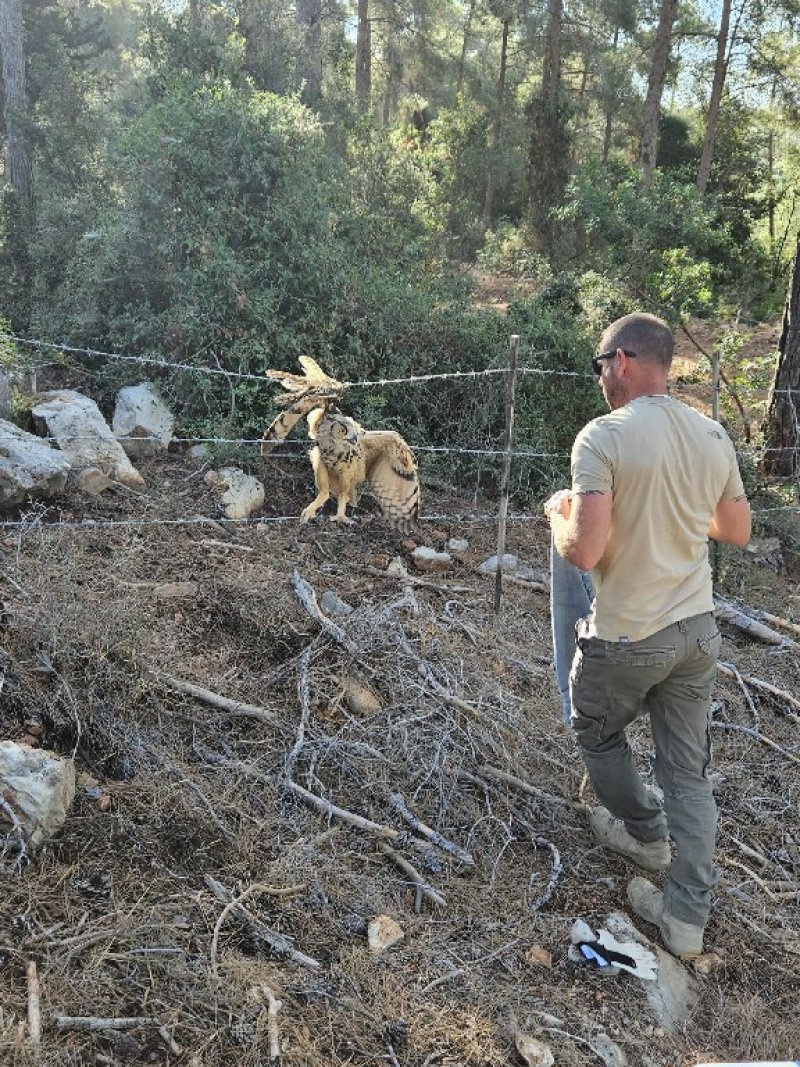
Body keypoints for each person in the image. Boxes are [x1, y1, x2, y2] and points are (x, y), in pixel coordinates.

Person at [544, 312, 751, 959]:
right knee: (687, 774)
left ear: (625, 360)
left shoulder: (601, 438)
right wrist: (678, 511)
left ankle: (643, 831)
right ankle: (685, 920)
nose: (600, 375)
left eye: (600, 363)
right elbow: (735, 529)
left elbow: (585, 551)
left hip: (628, 635)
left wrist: (557, 516)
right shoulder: (710, 433)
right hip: (695, 631)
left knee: (595, 731)